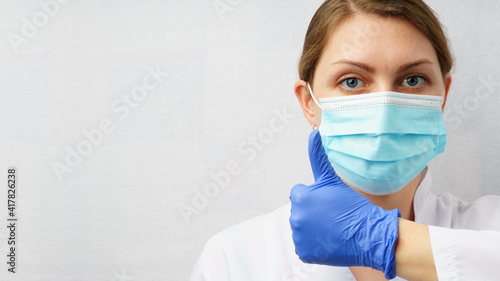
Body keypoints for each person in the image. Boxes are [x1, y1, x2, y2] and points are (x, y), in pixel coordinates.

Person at [190, 0, 500, 280]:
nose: (384, 109)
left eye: (412, 80)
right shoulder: (234, 259)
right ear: (309, 103)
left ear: (442, 98)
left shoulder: (491, 224)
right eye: (352, 81)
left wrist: (377, 240)